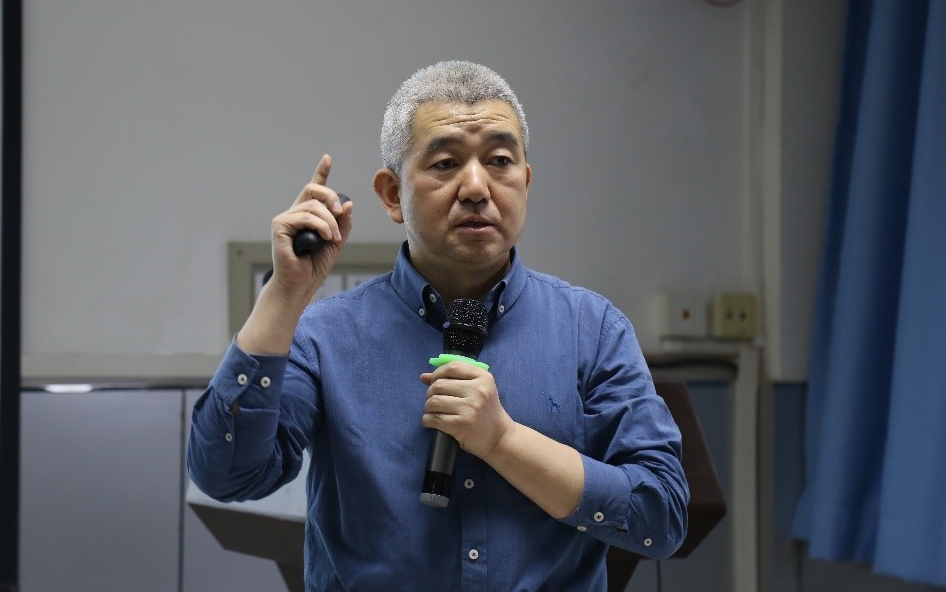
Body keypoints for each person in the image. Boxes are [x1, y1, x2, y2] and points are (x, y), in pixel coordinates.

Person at [187, 60, 689, 591]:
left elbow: (661, 517)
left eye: (500, 161)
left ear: (525, 182)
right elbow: (226, 474)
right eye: (446, 163)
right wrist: (284, 296)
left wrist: (503, 441)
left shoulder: (592, 330)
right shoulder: (325, 336)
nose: (476, 187)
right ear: (391, 194)